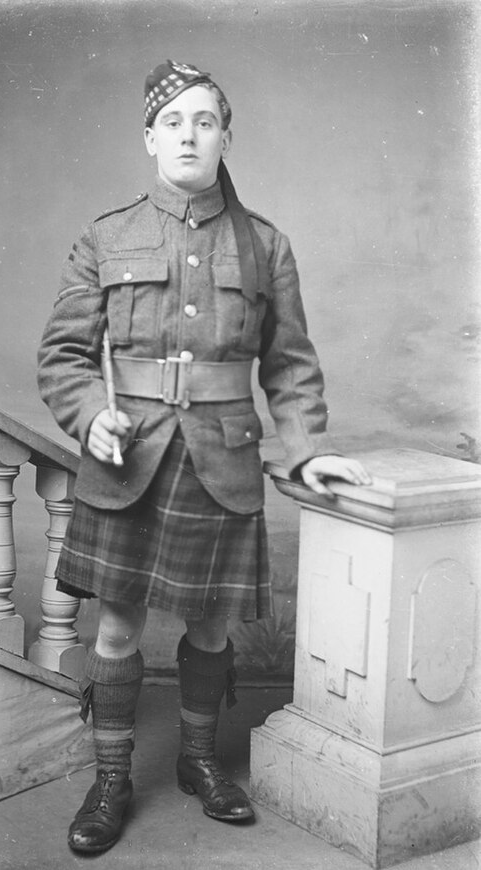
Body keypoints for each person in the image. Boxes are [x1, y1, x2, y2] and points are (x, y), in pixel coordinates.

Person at [37, 59, 371, 855]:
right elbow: (63, 357)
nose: (189, 134)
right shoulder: (105, 236)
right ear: (149, 137)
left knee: (212, 628)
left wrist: (305, 453)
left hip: (223, 465)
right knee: (117, 626)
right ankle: (112, 777)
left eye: (205, 121)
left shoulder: (266, 246)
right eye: (174, 122)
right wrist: (91, 418)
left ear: (226, 136)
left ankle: (197, 763)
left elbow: (289, 367)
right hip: (128, 463)